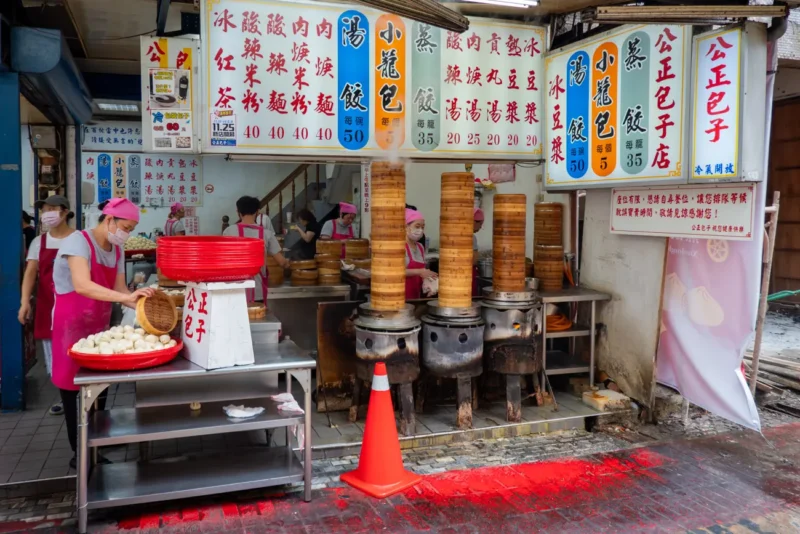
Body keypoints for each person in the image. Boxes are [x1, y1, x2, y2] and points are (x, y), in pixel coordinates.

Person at [51, 198, 155, 468]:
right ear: (109, 220)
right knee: (74, 391)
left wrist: (140, 301)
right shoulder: (78, 242)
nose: (127, 234)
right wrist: (127, 297)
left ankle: (96, 446)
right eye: (126, 227)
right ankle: (80, 454)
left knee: (98, 389)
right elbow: (83, 285)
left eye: (131, 229)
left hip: (98, 326)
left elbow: (121, 293)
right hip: (70, 325)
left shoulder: (117, 251)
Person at [18, 196, 76, 416]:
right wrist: (25, 301)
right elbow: (31, 273)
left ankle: (78, 395)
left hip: (75, 307)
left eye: (52, 209)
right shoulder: (38, 243)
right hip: (47, 305)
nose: (47, 214)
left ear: (65, 212)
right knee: (53, 357)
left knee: (76, 353)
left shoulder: (79, 239)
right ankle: (66, 397)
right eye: (44, 210)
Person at [223, 196, 290, 303]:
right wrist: (288, 264)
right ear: (257, 212)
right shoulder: (266, 234)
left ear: (238, 211)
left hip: (234, 290)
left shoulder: (229, 232)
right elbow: (282, 262)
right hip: (257, 291)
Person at [405, 208, 437, 300]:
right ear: (406, 226)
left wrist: (430, 283)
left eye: (422, 227)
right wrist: (421, 271)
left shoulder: (420, 247)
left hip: (415, 295)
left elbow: (422, 273)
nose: (420, 230)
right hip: (400, 295)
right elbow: (394, 272)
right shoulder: (400, 247)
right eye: (417, 226)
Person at [472, 208, 485, 297]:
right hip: (467, 275)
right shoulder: (471, 237)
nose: (480, 227)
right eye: (480, 223)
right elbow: (474, 260)